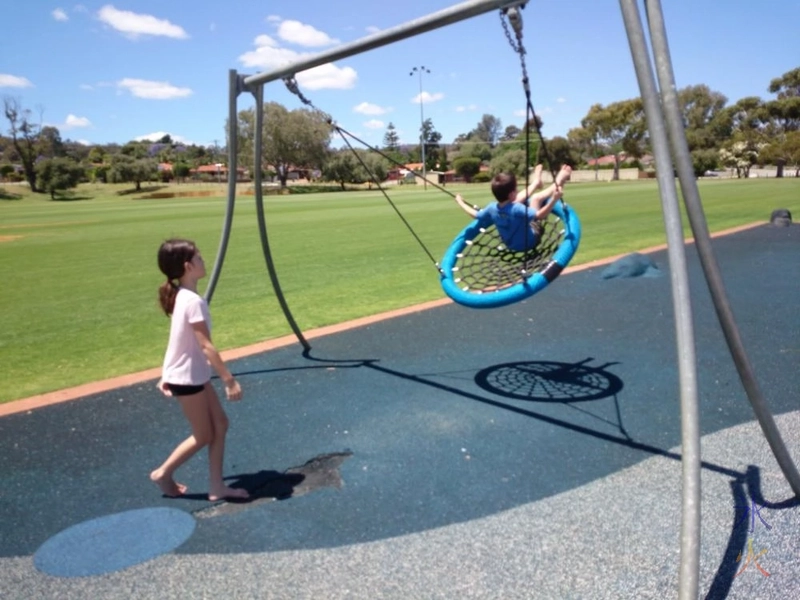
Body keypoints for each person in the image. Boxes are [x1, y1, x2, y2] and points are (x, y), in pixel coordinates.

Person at [150, 238, 249, 501]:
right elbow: (205, 345)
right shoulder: (191, 301)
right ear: (188, 266)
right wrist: (229, 380)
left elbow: (179, 340)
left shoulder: (185, 296)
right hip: (188, 378)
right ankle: (163, 473)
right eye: (199, 258)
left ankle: (217, 486)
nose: (204, 261)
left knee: (220, 423)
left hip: (192, 374)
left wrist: (166, 371)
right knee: (203, 434)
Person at [454, 164, 573, 252]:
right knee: (536, 198)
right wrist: (554, 200)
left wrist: (460, 202)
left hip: (511, 245)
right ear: (511, 193)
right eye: (516, 188)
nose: (517, 190)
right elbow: (539, 216)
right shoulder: (517, 208)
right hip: (531, 240)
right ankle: (560, 179)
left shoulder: (491, 208)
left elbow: (475, 215)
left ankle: (536, 183)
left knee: (514, 202)